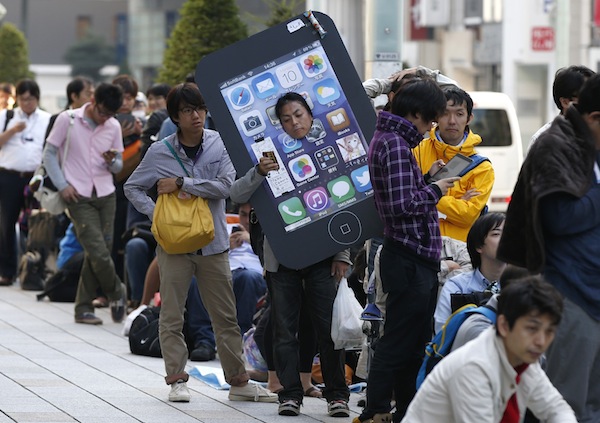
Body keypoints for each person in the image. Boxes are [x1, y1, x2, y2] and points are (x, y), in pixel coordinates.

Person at [124, 82, 276, 404]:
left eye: (200, 109)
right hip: (174, 247)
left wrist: (182, 183)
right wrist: (158, 217)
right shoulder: (160, 151)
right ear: (176, 117)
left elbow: (224, 187)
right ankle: (177, 380)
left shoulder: (218, 144)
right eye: (188, 111)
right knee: (172, 315)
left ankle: (238, 381)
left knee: (225, 316)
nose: (197, 116)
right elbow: (132, 188)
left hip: (214, 244)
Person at [230, 92, 351, 418]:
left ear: (310, 115)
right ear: (279, 124)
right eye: (286, 119)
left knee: (329, 330)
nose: (294, 122)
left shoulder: (328, 148)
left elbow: (345, 203)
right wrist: (259, 171)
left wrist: (342, 253)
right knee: (284, 329)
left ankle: (337, 395)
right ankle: (289, 394)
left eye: (298, 114)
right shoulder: (267, 155)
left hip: (324, 257)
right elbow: (237, 193)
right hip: (280, 258)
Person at [354, 78, 458, 423]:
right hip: (409, 255)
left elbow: (398, 197)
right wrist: (436, 190)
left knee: (411, 341)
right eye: (429, 119)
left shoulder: (389, 139)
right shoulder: (396, 145)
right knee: (400, 340)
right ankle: (377, 409)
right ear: (414, 113)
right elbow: (400, 206)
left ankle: (404, 411)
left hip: (411, 255)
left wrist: (427, 180)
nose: (431, 127)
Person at [498, 73, 600, 423]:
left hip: (593, 288)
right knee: (564, 404)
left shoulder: (591, 145)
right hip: (571, 291)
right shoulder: (557, 144)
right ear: (594, 117)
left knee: (592, 404)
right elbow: (560, 218)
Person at [401, 276, 577, 423]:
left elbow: (556, 409)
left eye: (549, 331)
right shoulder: (474, 366)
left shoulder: (522, 358)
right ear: (504, 325)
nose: (541, 341)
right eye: (532, 328)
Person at [43, 82, 127, 325]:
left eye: (110, 115)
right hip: (77, 195)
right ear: (93, 101)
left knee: (97, 252)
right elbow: (49, 153)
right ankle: (118, 292)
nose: (105, 119)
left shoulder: (112, 125)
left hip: (106, 193)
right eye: (102, 112)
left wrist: (112, 162)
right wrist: (62, 185)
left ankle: (82, 308)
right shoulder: (68, 119)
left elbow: (119, 166)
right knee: (98, 251)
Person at [413, 86, 495, 242]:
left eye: (459, 114)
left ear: (469, 118)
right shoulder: (416, 150)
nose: (452, 121)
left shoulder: (482, 167)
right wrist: (455, 205)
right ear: (436, 116)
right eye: (445, 113)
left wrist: (428, 195)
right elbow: (406, 199)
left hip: (460, 250)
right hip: (420, 244)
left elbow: (468, 216)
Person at [0, 79, 51, 286]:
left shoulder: (47, 119)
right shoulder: (7, 116)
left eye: (30, 99)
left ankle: (36, 269)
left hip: (35, 176)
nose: (26, 103)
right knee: (6, 224)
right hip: (9, 175)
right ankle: (7, 271)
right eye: (22, 99)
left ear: (37, 99)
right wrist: (12, 131)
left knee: (39, 223)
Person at [433, 212, 506, 333]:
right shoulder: (457, 287)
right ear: (479, 246)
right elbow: (442, 333)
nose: (505, 239)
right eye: (496, 234)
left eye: (509, 233)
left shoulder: (521, 285)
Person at [527, 65, 595, 153]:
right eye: (587, 97)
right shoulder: (543, 141)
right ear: (565, 102)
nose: (594, 102)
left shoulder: (595, 134)